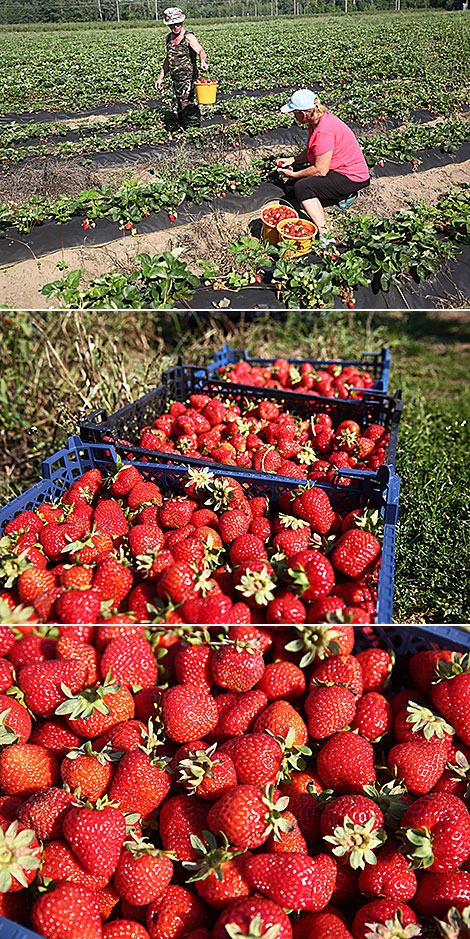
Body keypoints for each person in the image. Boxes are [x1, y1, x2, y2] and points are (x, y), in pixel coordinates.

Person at [277, 89, 370, 244]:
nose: (293, 116)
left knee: (302, 187)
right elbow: (314, 151)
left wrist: (294, 175)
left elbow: (320, 170)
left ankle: (326, 235)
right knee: (292, 187)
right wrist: (293, 160)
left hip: (352, 176)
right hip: (338, 168)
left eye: (295, 113)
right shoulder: (319, 120)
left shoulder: (323, 131)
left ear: (304, 114)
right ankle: (335, 195)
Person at [155, 7, 208, 129]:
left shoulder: (188, 36)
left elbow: (200, 50)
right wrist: (160, 77)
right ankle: (182, 133)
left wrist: (203, 61)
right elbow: (168, 59)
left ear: (182, 22)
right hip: (176, 81)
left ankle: (194, 134)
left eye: (178, 23)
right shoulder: (168, 38)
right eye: (172, 24)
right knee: (177, 109)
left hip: (189, 81)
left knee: (190, 108)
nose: (175, 27)